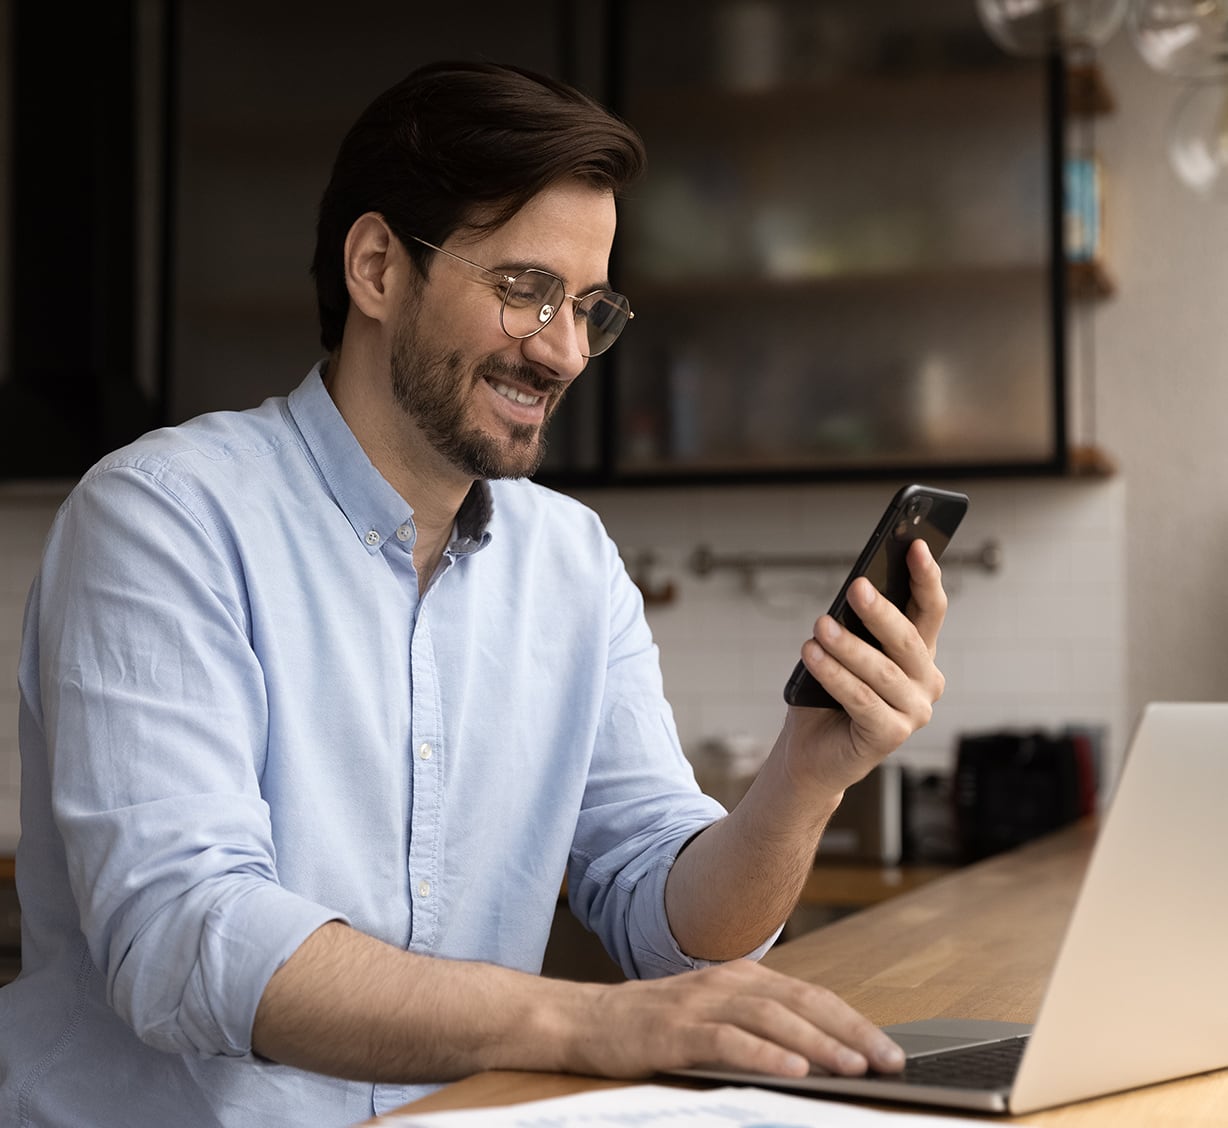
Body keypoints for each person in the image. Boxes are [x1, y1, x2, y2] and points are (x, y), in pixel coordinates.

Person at [0, 61, 949, 1127]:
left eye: (590, 306)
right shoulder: (162, 516)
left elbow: (666, 921)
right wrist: (587, 1024)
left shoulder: (572, 564)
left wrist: (807, 776)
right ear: (375, 268)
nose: (565, 350)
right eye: (525, 290)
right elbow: (185, 939)